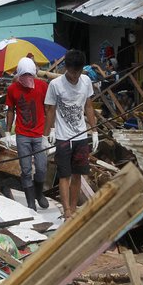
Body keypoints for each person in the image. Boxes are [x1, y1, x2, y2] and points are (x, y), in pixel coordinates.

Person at [43, 49, 99, 219]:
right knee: (64, 175)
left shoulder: (86, 81)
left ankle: (73, 208)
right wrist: (48, 133)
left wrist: (94, 130)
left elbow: (89, 106)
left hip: (81, 136)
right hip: (63, 137)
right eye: (72, 72)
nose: (75, 76)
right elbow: (50, 110)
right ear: (66, 68)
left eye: (78, 71)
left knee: (78, 175)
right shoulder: (56, 85)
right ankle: (67, 210)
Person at [5, 57, 50, 211]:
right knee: (25, 169)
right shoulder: (12, 89)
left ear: (34, 74)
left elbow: (49, 109)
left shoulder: (42, 86)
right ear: (18, 75)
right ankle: (30, 201)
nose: (27, 79)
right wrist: (6, 131)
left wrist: (50, 131)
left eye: (30, 76)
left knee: (42, 167)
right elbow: (10, 110)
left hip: (39, 134)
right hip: (22, 134)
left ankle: (39, 194)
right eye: (24, 76)